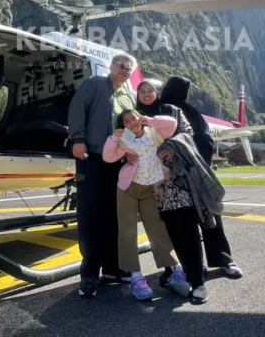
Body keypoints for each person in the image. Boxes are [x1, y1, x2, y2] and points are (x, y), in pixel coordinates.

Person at [159, 76, 243, 280]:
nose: (190, 93)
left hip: (198, 171)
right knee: (185, 223)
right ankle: (193, 265)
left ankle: (221, 259)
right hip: (177, 175)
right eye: (188, 89)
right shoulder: (165, 111)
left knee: (209, 215)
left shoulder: (189, 109)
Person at [68, 53, 136, 298]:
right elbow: (77, 108)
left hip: (116, 163)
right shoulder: (94, 84)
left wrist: (131, 152)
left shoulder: (127, 95)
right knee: (90, 215)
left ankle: (112, 268)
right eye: (121, 65)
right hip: (92, 158)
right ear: (111, 66)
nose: (124, 70)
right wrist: (78, 139)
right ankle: (88, 275)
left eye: (128, 69)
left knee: (114, 215)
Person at [103, 110, 190, 300]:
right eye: (126, 121)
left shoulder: (153, 131)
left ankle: (175, 270)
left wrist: (148, 119)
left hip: (151, 189)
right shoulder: (124, 139)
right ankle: (135, 278)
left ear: (139, 117)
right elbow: (108, 157)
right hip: (128, 189)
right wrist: (113, 137)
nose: (132, 122)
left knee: (157, 229)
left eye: (133, 117)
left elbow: (172, 124)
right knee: (128, 232)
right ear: (123, 126)